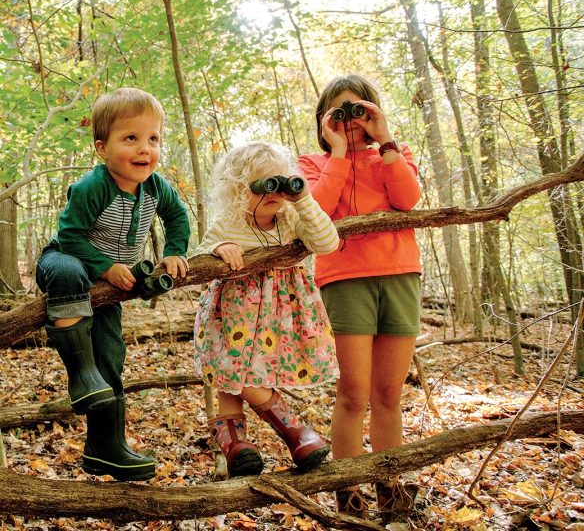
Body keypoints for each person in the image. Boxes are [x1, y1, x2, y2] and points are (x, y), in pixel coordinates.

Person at [35, 87, 190, 481]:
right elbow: (69, 237)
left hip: (107, 287)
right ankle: (80, 375)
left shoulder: (156, 187)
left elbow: (179, 218)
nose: (145, 150)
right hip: (66, 263)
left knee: (111, 355)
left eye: (153, 139)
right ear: (103, 148)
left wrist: (173, 251)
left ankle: (106, 447)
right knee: (69, 272)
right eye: (131, 138)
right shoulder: (93, 187)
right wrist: (105, 267)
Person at [298, 75, 421, 523]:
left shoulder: (396, 154)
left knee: (388, 393)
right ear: (323, 121)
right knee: (353, 394)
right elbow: (318, 211)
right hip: (345, 279)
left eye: (360, 109)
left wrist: (384, 141)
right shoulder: (311, 163)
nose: (350, 120)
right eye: (339, 111)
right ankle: (348, 498)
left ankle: (393, 496)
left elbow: (407, 200)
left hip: (400, 274)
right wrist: (337, 154)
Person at [193, 141, 339, 478]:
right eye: (263, 185)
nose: (273, 193)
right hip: (233, 315)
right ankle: (285, 431)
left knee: (243, 374)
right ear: (240, 189)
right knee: (232, 369)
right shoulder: (229, 223)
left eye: (280, 182)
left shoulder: (291, 219)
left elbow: (327, 242)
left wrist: (302, 199)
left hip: (278, 317)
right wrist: (219, 246)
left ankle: (238, 444)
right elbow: (197, 258)